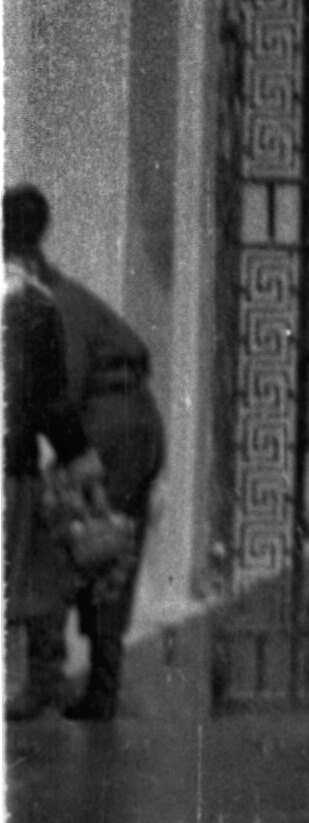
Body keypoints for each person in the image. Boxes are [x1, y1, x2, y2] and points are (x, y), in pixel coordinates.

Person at [2, 188, 165, 723]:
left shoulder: (46, 303)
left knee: (57, 532)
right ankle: (98, 684)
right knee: (107, 548)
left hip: (110, 427)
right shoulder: (61, 294)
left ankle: (48, 679)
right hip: (134, 424)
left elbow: (56, 397)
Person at [4, 199, 102, 722]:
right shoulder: (32, 302)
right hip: (12, 463)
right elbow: (50, 398)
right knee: (27, 569)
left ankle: (38, 679)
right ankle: (39, 679)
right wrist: (80, 461)